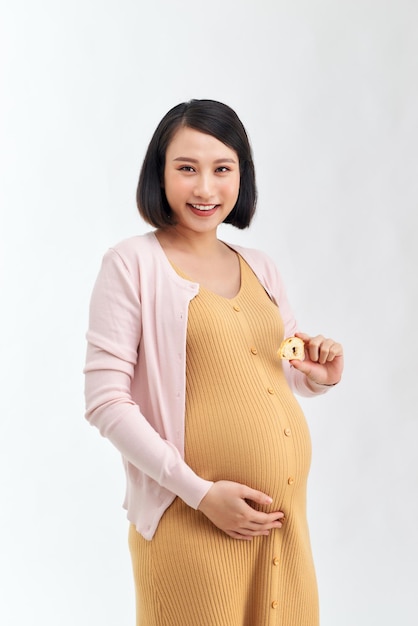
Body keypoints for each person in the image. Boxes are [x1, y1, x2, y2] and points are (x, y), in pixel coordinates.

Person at [84, 99, 344, 626]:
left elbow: (278, 356)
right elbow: (105, 402)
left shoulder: (260, 265)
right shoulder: (132, 264)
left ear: (241, 176)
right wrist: (200, 495)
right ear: (160, 174)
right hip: (190, 521)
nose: (205, 189)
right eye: (186, 168)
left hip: (282, 524)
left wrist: (315, 374)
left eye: (222, 169)